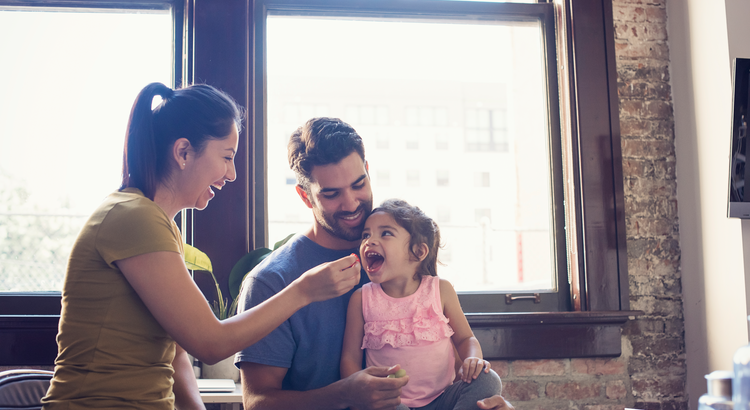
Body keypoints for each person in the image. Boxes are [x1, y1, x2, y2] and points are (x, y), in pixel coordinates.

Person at [41, 84, 360, 410]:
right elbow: (210, 343)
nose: (232, 173)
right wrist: (303, 291)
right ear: (183, 152)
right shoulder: (134, 217)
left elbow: (178, 353)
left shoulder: (160, 225)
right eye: (226, 157)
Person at [236, 117, 513, 410]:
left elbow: (448, 367)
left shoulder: (402, 259)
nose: (352, 203)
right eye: (331, 194)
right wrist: (345, 393)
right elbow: (257, 403)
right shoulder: (272, 281)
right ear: (305, 196)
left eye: (359, 184)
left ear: (368, 172)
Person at [341, 199, 507, 410]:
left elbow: (466, 338)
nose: (369, 241)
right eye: (366, 235)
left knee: (489, 379)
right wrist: (359, 395)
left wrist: (473, 360)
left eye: (385, 233)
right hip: (391, 404)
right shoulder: (361, 298)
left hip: (443, 399)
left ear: (418, 252)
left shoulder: (441, 290)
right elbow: (349, 358)